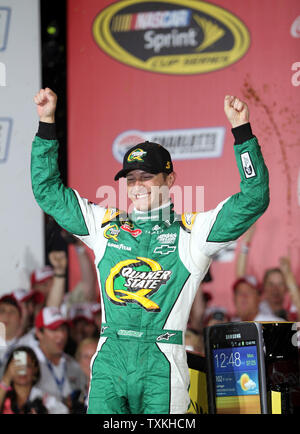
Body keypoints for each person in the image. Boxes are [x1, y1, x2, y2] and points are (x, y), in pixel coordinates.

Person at [31, 88, 269, 414]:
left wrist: (242, 133)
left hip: (162, 361)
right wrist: (46, 123)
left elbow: (254, 198)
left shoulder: (192, 231)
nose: (138, 185)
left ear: (169, 178)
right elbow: (47, 192)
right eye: (131, 179)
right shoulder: (105, 226)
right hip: (110, 357)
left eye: (147, 177)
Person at [19, 306, 86, 409]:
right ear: (39, 333)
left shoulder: (73, 365)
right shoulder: (27, 364)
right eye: (54, 330)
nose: (61, 335)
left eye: (63, 329)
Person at [0, 346, 68, 414]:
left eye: (27, 366)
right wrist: (6, 378)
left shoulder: (45, 400)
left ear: (35, 369)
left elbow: (63, 411)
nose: (22, 370)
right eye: (18, 366)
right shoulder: (3, 395)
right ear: (9, 368)